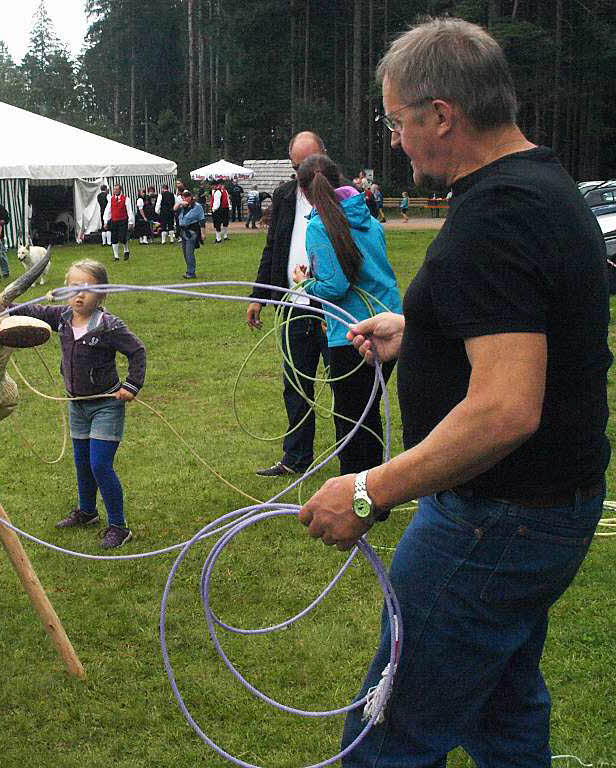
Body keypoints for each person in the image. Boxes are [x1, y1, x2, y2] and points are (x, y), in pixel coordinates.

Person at [300, 18, 610, 766]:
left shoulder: (496, 214)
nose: (396, 139)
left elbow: (506, 408)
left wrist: (371, 489)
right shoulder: (540, 182)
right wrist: (422, 329)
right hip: (543, 510)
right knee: (502, 713)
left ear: (441, 114)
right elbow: (533, 324)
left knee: (390, 735)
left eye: (398, 120)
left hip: (495, 521)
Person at [11, 259, 146, 549]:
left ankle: (119, 527)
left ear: (102, 294)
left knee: (100, 464)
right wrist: (4, 308)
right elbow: (34, 311)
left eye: (88, 289)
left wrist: (131, 386)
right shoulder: (62, 318)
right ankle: (87, 512)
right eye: (74, 288)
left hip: (106, 405)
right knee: (82, 462)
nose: (80, 295)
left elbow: (137, 352)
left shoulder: (109, 326)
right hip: (78, 405)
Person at [291, 154, 402, 474]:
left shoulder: (318, 226)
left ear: (304, 191)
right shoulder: (366, 216)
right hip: (390, 326)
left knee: (351, 420)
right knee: (367, 413)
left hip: (353, 336)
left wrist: (304, 282)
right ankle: (374, 490)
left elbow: (334, 286)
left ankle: (356, 497)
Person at [247, 130, 329, 478]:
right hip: (294, 306)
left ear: (325, 159)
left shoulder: (343, 196)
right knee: (296, 385)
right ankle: (296, 459)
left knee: (348, 385)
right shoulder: (283, 196)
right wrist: (259, 296)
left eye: (310, 166)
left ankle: (359, 461)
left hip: (334, 309)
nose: (304, 175)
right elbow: (273, 248)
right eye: (298, 167)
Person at [177, 189, 204, 278]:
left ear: (190, 197)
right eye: (183, 198)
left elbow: (202, 220)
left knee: (189, 253)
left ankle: (191, 272)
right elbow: (173, 209)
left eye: (185, 198)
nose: (184, 200)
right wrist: (180, 204)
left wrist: (203, 233)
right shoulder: (183, 207)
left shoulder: (197, 207)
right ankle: (189, 270)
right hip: (183, 231)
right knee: (185, 254)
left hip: (192, 232)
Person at [103, 183, 134, 261]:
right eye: (114, 189)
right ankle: (116, 256)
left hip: (123, 220)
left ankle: (126, 250)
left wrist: (130, 222)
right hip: (114, 220)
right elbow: (108, 211)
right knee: (114, 238)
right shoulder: (111, 199)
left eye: (117, 189)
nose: (115, 191)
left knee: (122, 238)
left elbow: (129, 211)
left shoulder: (126, 199)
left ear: (120, 190)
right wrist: (106, 221)